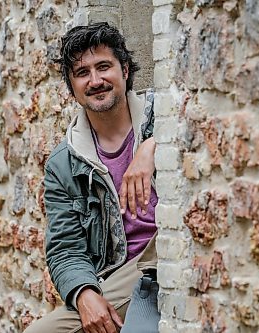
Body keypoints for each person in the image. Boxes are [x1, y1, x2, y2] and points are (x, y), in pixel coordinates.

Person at [25, 23, 159, 333]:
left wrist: (154, 145)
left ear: (124, 70)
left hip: (164, 254)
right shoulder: (64, 163)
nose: (96, 80)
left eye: (103, 66)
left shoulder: (162, 115)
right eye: (83, 73)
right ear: (72, 88)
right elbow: (65, 248)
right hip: (117, 275)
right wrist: (84, 293)